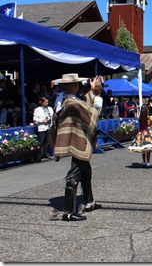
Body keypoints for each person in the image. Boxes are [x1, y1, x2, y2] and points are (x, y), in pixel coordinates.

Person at [47, 73, 101, 221]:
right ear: (75, 86)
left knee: (85, 170)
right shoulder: (71, 103)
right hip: (76, 141)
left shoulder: (65, 100)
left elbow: (84, 103)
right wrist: (96, 99)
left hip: (74, 139)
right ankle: (68, 211)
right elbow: (89, 112)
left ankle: (89, 201)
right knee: (74, 173)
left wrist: (92, 92)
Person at [32, 96, 54, 161]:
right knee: (41, 141)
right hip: (42, 127)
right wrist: (42, 120)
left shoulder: (50, 108)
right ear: (42, 102)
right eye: (45, 102)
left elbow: (52, 117)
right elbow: (35, 119)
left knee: (47, 141)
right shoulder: (37, 110)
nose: (47, 103)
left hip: (49, 126)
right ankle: (40, 155)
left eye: (47, 102)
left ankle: (46, 154)